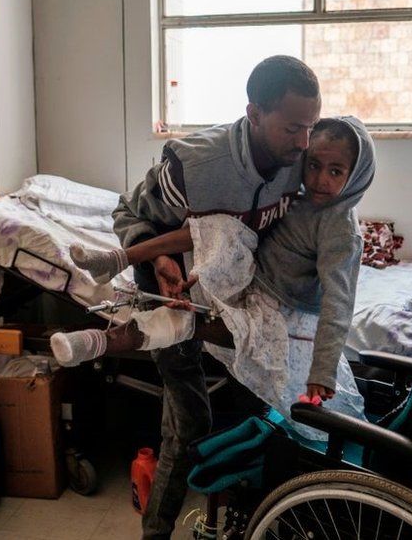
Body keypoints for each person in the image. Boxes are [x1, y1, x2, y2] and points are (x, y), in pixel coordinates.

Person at [106, 55, 321, 539]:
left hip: (240, 295)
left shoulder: (302, 157)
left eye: (310, 126)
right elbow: (127, 213)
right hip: (171, 285)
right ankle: (157, 530)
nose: (304, 142)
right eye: (292, 128)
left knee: (263, 406)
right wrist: (155, 261)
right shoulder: (192, 165)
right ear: (254, 114)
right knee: (190, 420)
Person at [54, 118, 373, 441]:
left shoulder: (341, 230)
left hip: (284, 310)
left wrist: (323, 370)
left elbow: (339, 303)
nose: (319, 179)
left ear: (356, 176)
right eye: (314, 165)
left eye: (336, 172)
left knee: (197, 327)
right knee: (218, 225)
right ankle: (115, 259)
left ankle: (97, 341)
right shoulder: (292, 191)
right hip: (252, 280)